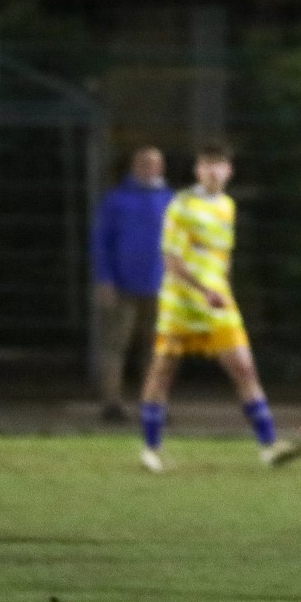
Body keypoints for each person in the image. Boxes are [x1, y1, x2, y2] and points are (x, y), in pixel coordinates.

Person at [137, 143, 301, 472]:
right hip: (181, 303)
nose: (213, 171)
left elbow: (222, 259)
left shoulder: (227, 206)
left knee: (244, 369)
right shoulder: (182, 204)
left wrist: (223, 290)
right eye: (207, 165)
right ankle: (151, 448)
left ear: (229, 170)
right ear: (198, 170)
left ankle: (269, 445)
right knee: (163, 371)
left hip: (217, 304)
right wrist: (203, 290)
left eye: (219, 165)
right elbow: (171, 259)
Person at [90, 146, 172, 422]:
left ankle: (153, 404)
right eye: (144, 163)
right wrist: (104, 279)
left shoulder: (171, 201)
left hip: (162, 285)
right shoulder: (116, 200)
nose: (150, 168)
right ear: (133, 166)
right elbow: (101, 242)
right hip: (122, 284)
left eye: (154, 163)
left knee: (156, 349)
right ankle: (111, 403)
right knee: (116, 345)